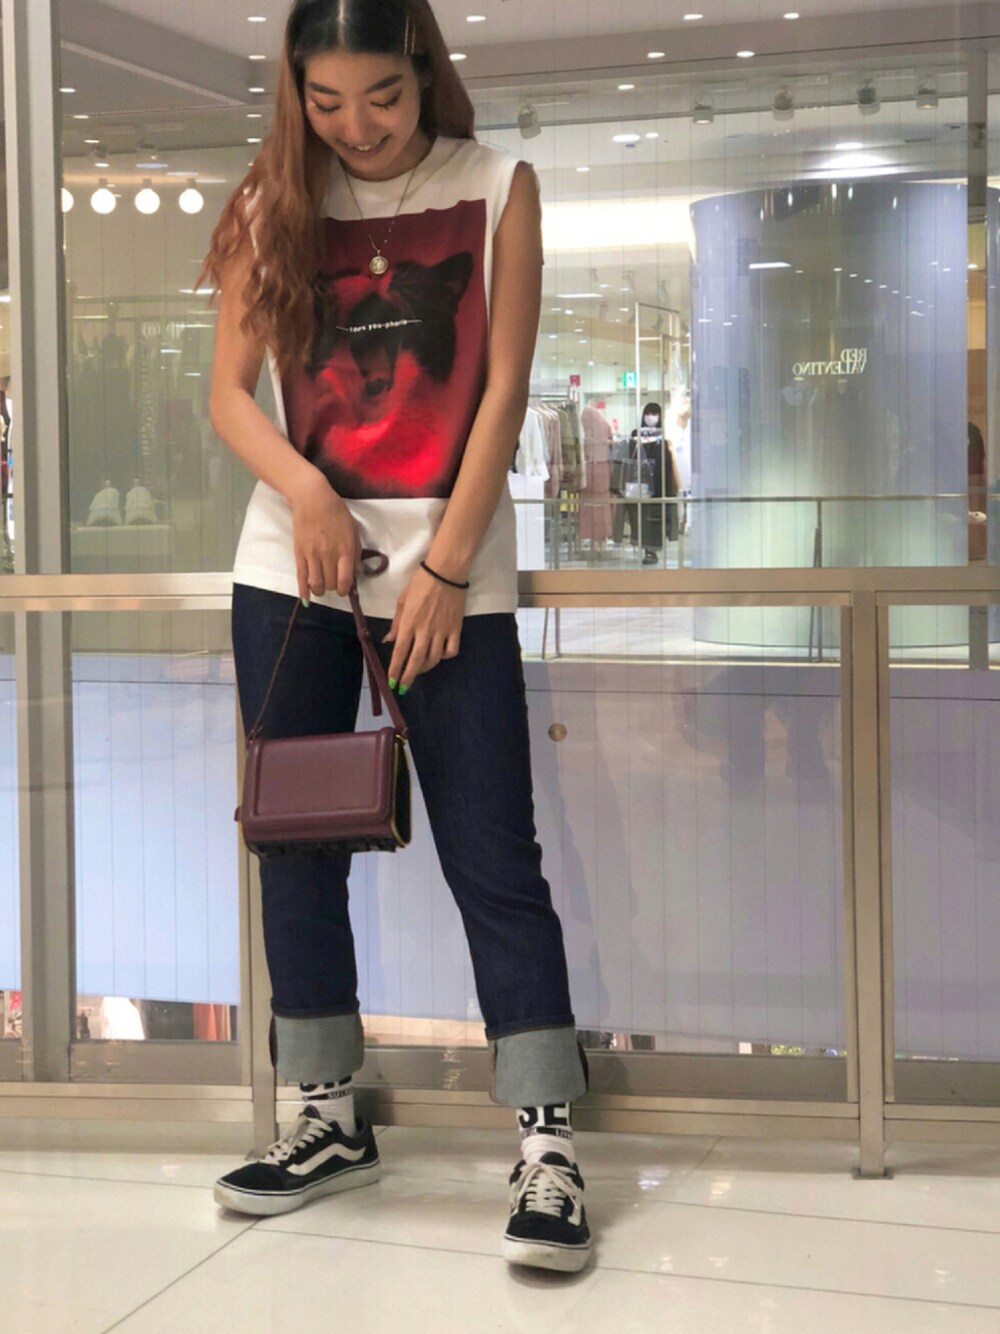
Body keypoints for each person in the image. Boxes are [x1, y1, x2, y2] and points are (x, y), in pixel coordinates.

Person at [198, 0, 590, 1273]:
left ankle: (545, 1139)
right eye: (325, 103)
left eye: (379, 96)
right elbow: (229, 397)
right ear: (295, 94)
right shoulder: (274, 199)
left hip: (447, 569)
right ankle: (324, 1113)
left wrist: (448, 565)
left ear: (422, 71)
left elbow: (503, 390)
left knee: (491, 846)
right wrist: (305, 489)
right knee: (293, 844)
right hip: (293, 570)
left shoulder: (495, 187)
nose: (355, 127)